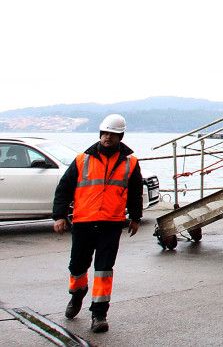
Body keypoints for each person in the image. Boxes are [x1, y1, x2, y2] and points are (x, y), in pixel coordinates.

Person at [52, 114, 143, 334]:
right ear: (100, 133)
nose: (107, 138)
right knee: (77, 267)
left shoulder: (130, 162)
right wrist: (59, 216)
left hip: (111, 224)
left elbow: (135, 192)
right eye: (104, 133)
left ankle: (99, 314)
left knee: (103, 270)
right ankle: (77, 294)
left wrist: (136, 217)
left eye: (112, 134)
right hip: (83, 222)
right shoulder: (82, 159)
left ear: (120, 136)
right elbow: (63, 189)